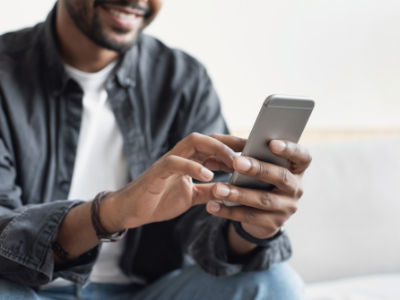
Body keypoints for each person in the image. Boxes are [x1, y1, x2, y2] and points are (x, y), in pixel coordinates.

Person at [0, 0, 312, 299]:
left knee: (275, 284)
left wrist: (251, 229)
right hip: (28, 291)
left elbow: (208, 230)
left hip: (147, 292)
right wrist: (111, 213)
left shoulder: (183, 80)